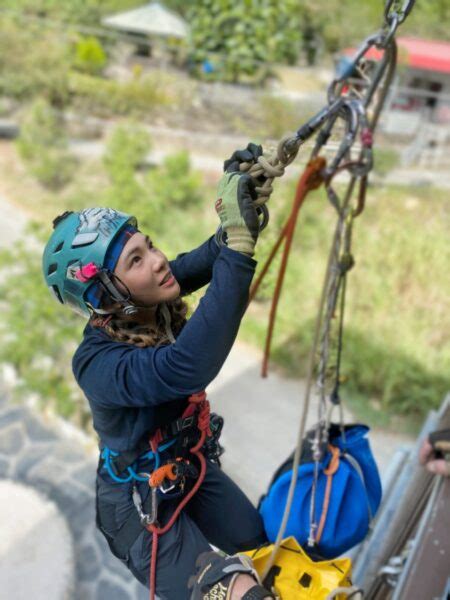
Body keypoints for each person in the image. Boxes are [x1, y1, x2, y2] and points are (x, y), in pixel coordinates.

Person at [42, 145, 275, 600]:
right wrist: (238, 243)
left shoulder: (148, 299)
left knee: (264, 550)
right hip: (136, 505)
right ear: (107, 293)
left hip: (188, 468)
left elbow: (211, 256)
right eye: (135, 260)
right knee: (241, 591)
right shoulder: (97, 365)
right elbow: (187, 365)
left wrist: (240, 204)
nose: (158, 260)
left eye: (148, 245)